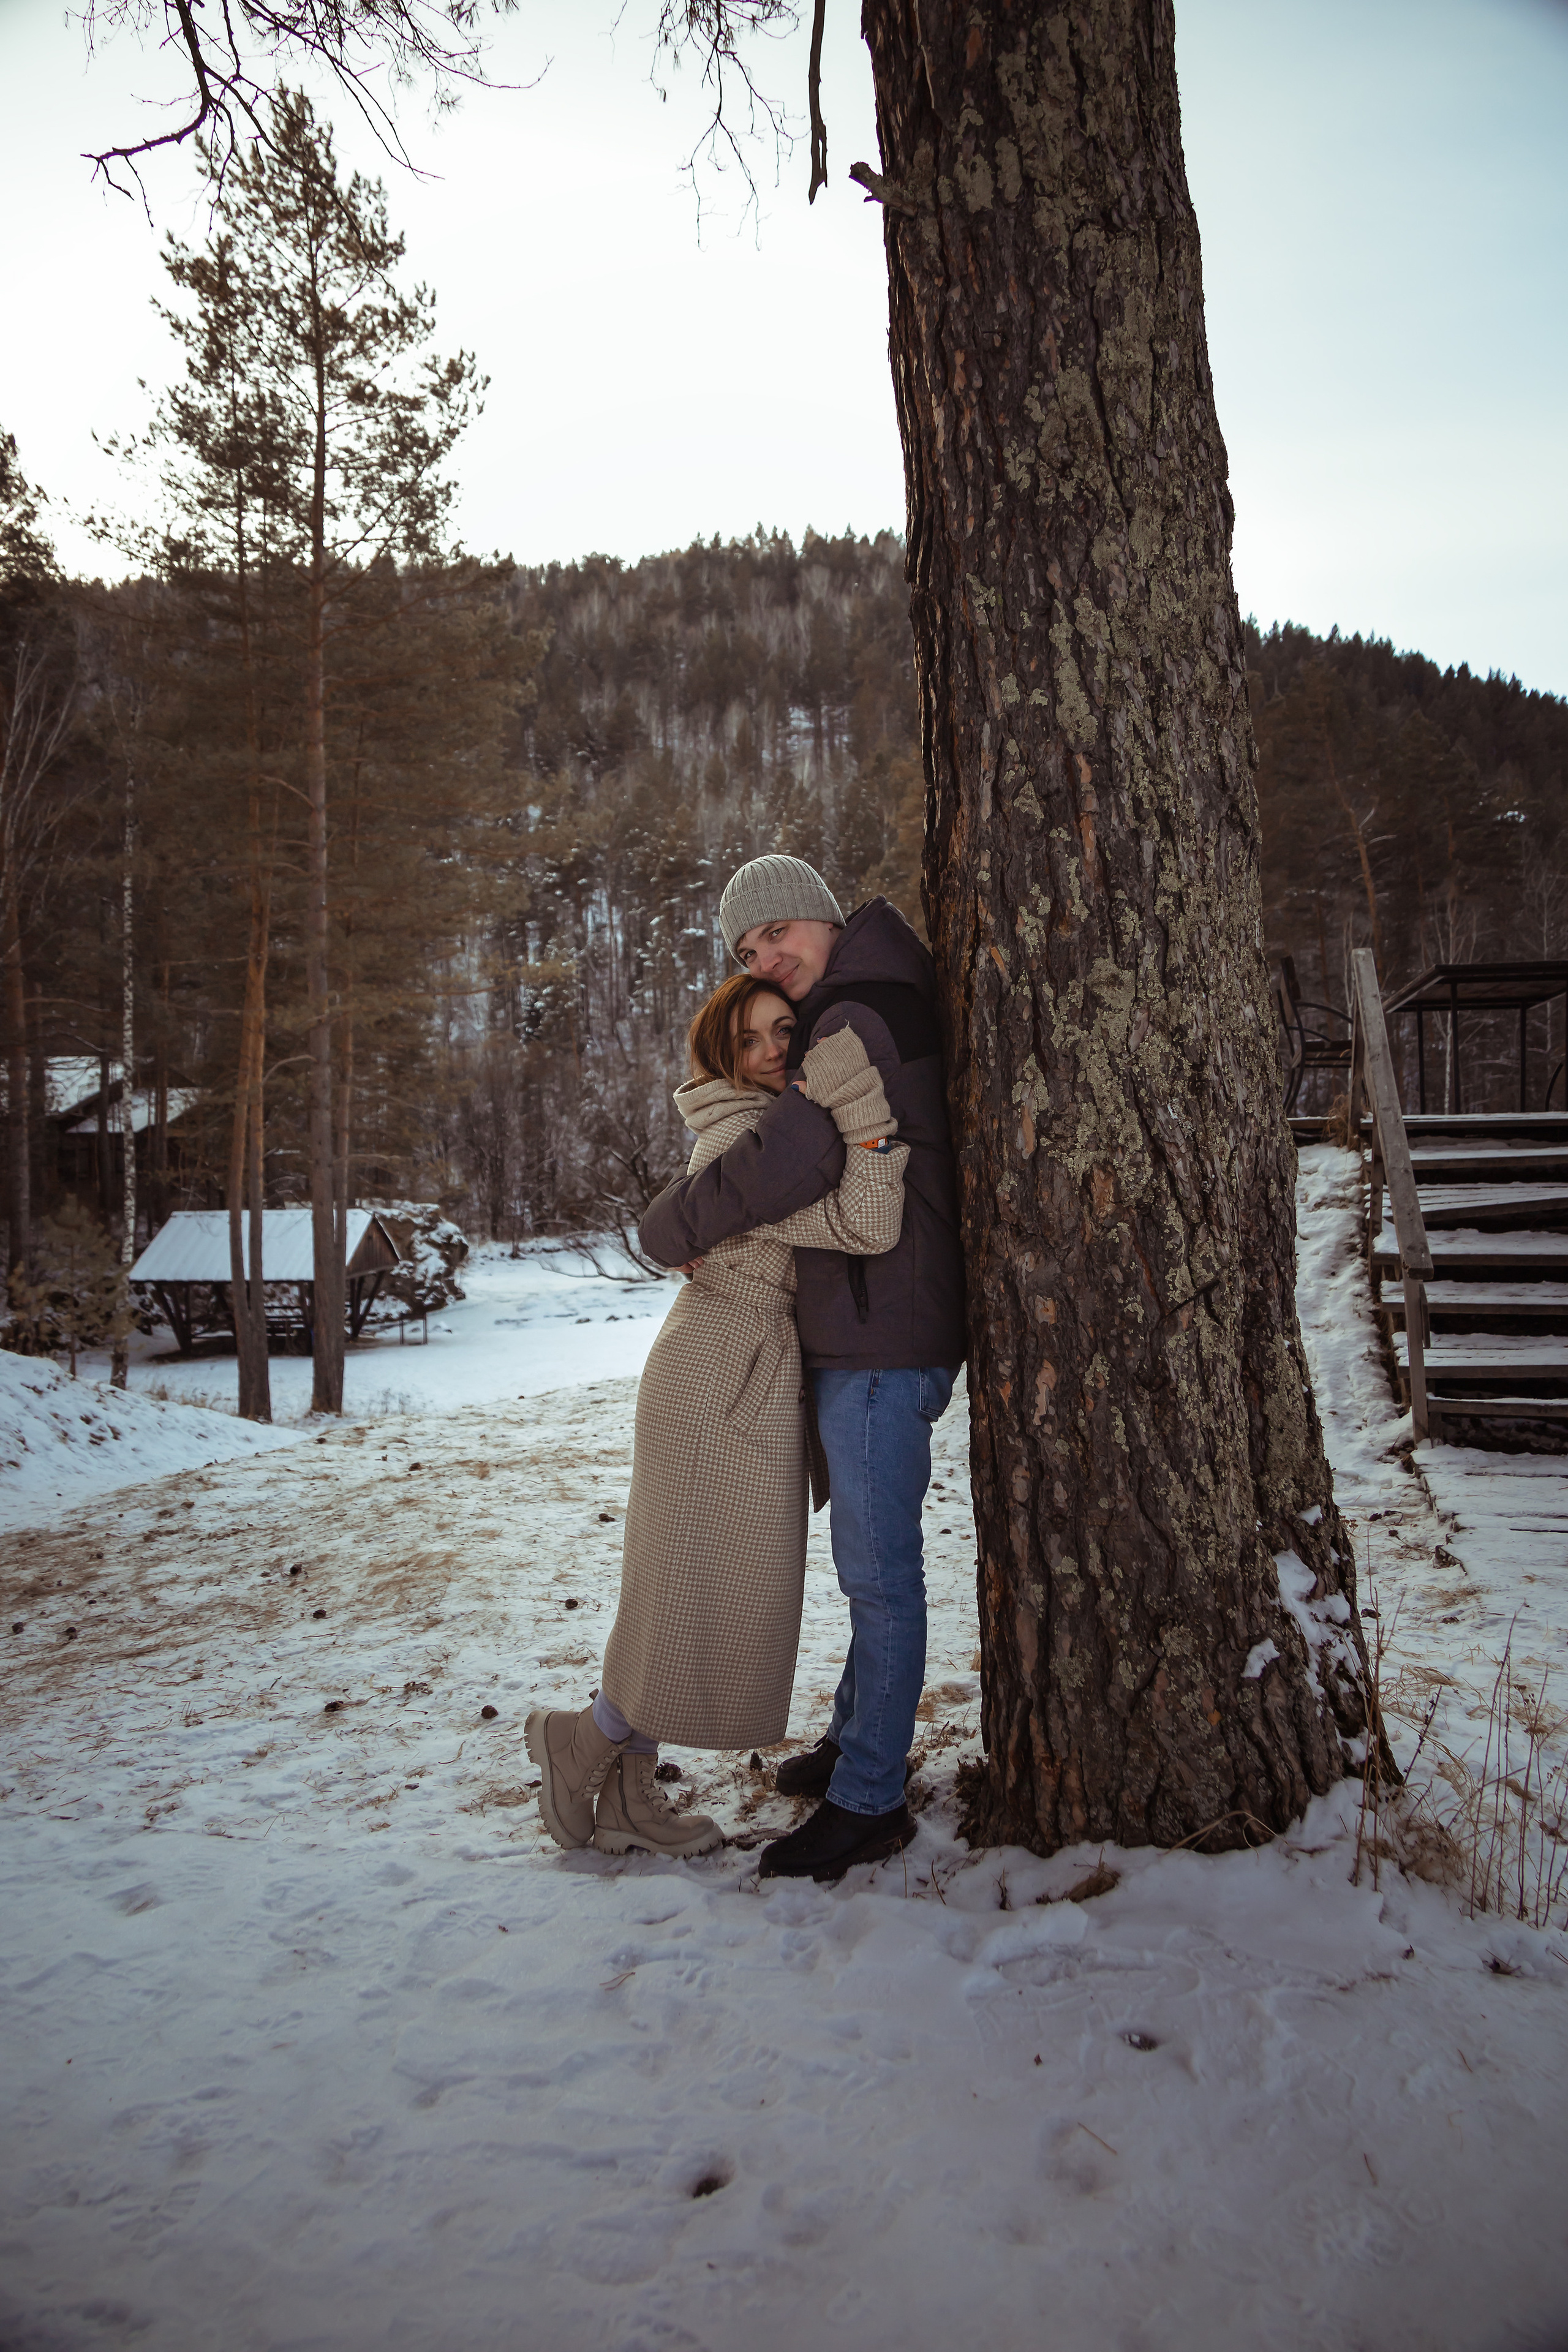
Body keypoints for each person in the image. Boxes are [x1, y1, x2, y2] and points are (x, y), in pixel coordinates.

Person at [525, 971, 910, 1861]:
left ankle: (625, 1796)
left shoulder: (768, 1131)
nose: (774, 1051)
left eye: (785, 1030)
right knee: (690, 1586)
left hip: (734, 1369)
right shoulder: (749, 1135)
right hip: (717, 1376)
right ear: (722, 1059)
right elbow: (865, 1223)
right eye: (751, 1041)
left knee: (676, 1581)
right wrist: (873, 1126)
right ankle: (582, 1740)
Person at [639, 855, 966, 1883]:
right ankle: (848, 1743)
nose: (768, 959)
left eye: (778, 933)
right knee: (871, 1569)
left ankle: (869, 1798)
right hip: (879, 1322)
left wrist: (664, 1228)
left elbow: (790, 1162)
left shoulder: (851, 1016)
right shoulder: (857, 993)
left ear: (822, 918)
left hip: (884, 1330)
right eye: (748, 952)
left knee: (878, 1575)